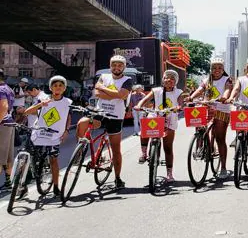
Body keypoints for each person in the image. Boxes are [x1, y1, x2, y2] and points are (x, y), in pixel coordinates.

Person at [75, 55, 132, 189]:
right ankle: (79, 150)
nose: (116, 67)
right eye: (114, 65)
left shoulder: (128, 80)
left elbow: (121, 95)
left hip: (116, 117)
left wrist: (104, 90)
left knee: (116, 150)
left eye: (119, 65)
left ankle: (117, 178)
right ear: (110, 66)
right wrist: (113, 94)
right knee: (82, 123)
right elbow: (97, 93)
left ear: (124, 67)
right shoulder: (104, 76)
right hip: (100, 113)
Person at [23, 76, 72, 197]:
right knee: (31, 157)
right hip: (40, 133)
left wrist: (66, 130)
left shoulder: (67, 102)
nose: (58, 88)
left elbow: (68, 116)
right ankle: (23, 184)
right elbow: (27, 112)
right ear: (50, 88)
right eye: (55, 85)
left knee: (54, 160)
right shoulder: (43, 99)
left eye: (61, 85)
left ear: (64, 88)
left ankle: (56, 186)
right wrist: (40, 105)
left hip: (55, 135)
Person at [187, 58, 234, 179]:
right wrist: (191, 97)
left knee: (220, 138)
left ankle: (223, 167)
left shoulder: (226, 79)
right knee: (198, 123)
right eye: (214, 68)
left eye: (219, 68)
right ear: (211, 69)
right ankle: (204, 144)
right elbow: (200, 90)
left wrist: (224, 97)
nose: (217, 70)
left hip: (221, 109)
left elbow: (228, 89)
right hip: (207, 107)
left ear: (223, 69)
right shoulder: (206, 80)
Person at [134, 70, 184, 183]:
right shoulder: (156, 90)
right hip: (155, 116)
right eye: (167, 77)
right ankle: (144, 152)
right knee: (145, 126)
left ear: (175, 81)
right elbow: (145, 99)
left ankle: (169, 173)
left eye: (172, 78)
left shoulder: (178, 92)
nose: (169, 80)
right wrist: (139, 105)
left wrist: (179, 107)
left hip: (170, 119)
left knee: (168, 147)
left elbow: (181, 102)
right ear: (163, 79)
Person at [0, 69, 16, 190]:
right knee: (8, 156)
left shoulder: (0, 89)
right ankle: (8, 182)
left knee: (0, 156)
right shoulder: (8, 88)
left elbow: (4, 107)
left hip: (2, 124)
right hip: (9, 123)